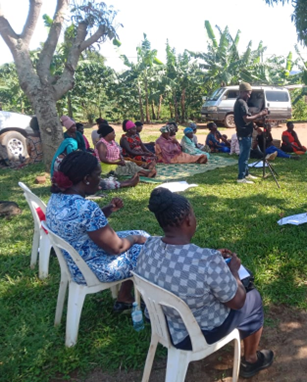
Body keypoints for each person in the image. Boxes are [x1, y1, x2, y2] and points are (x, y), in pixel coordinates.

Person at [135, 188, 274, 378]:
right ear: (189, 221)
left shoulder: (148, 246)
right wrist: (233, 271)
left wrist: (212, 259)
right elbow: (237, 302)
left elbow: (178, 265)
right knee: (253, 298)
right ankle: (251, 359)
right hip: (196, 334)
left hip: (164, 324)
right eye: (193, 214)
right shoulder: (205, 261)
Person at [46, 151, 149, 312]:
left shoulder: (57, 198)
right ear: (86, 179)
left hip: (74, 262)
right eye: (98, 175)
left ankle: (124, 297)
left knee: (142, 234)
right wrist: (135, 239)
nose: (100, 180)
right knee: (146, 249)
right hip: (94, 268)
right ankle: (155, 301)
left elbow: (80, 224)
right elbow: (117, 248)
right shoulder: (86, 208)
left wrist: (106, 210)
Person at [51, 137, 140, 189]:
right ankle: (127, 183)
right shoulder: (64, 161)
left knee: (97, 180)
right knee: (97, 181)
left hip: (70, 182)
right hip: (70, 184)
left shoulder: (62, 157)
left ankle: (126, 182)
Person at [234, 82, 269, 184]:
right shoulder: (241, 102)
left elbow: (248, 118)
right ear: (241, 92)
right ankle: (241, 178)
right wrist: (260, 114)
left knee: (246, 155)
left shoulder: (243, 102)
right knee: (244, 157)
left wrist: (256, 127)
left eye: (250, 93)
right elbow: (246, 119)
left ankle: (246, 174)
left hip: (247, 133)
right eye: (247, 93)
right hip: (243, 133)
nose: (249, 96)